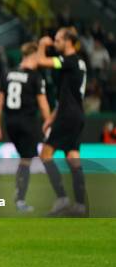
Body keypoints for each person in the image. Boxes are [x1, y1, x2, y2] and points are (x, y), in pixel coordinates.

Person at [0, 42, 51, 212]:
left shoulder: (8, 74)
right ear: (33, 56)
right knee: (26, 160)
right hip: (27, 123)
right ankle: (20, 199)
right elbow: (43, 104)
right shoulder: (35, 77)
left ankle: (19, 196)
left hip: (10, 123)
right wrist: (48, 124)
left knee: (25, 158)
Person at [36, 27, 87, 217]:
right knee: (73, 158)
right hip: (76, 114)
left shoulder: (69, 61)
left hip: (68, 115)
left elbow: (41, 61)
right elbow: (68, 95)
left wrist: (42, 45)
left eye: (58, 40)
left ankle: (62, 199)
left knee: (45, 154)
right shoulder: (80, 63)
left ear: (68, 41)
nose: (54, 43)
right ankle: (80, 205)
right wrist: (51, 118)